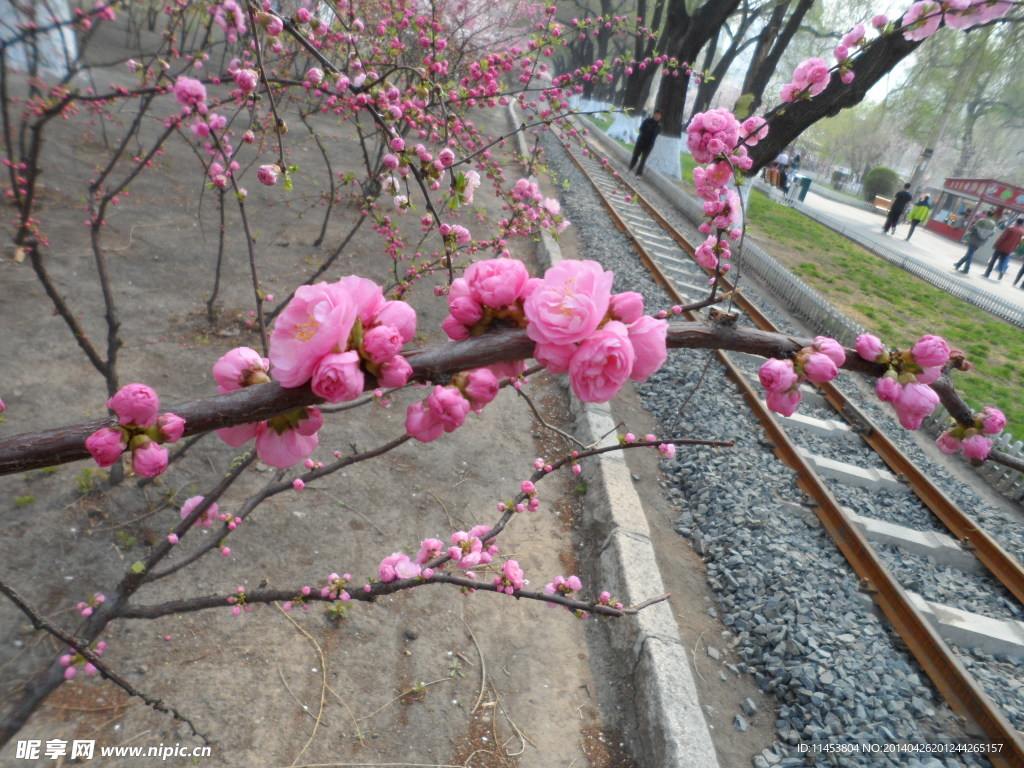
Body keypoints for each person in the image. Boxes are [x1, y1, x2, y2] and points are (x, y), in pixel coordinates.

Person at [628, 110, 661, 177]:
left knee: (643, 160)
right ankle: (630, 168)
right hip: (641, 142)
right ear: (654, 114)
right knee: (635, 156)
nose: (657, 116)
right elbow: (641, 129)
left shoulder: (659, 126)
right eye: (656, 114)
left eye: (659, 115)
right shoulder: (647, 121)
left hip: (649, 145)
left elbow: (656, 135)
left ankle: (638, 174)